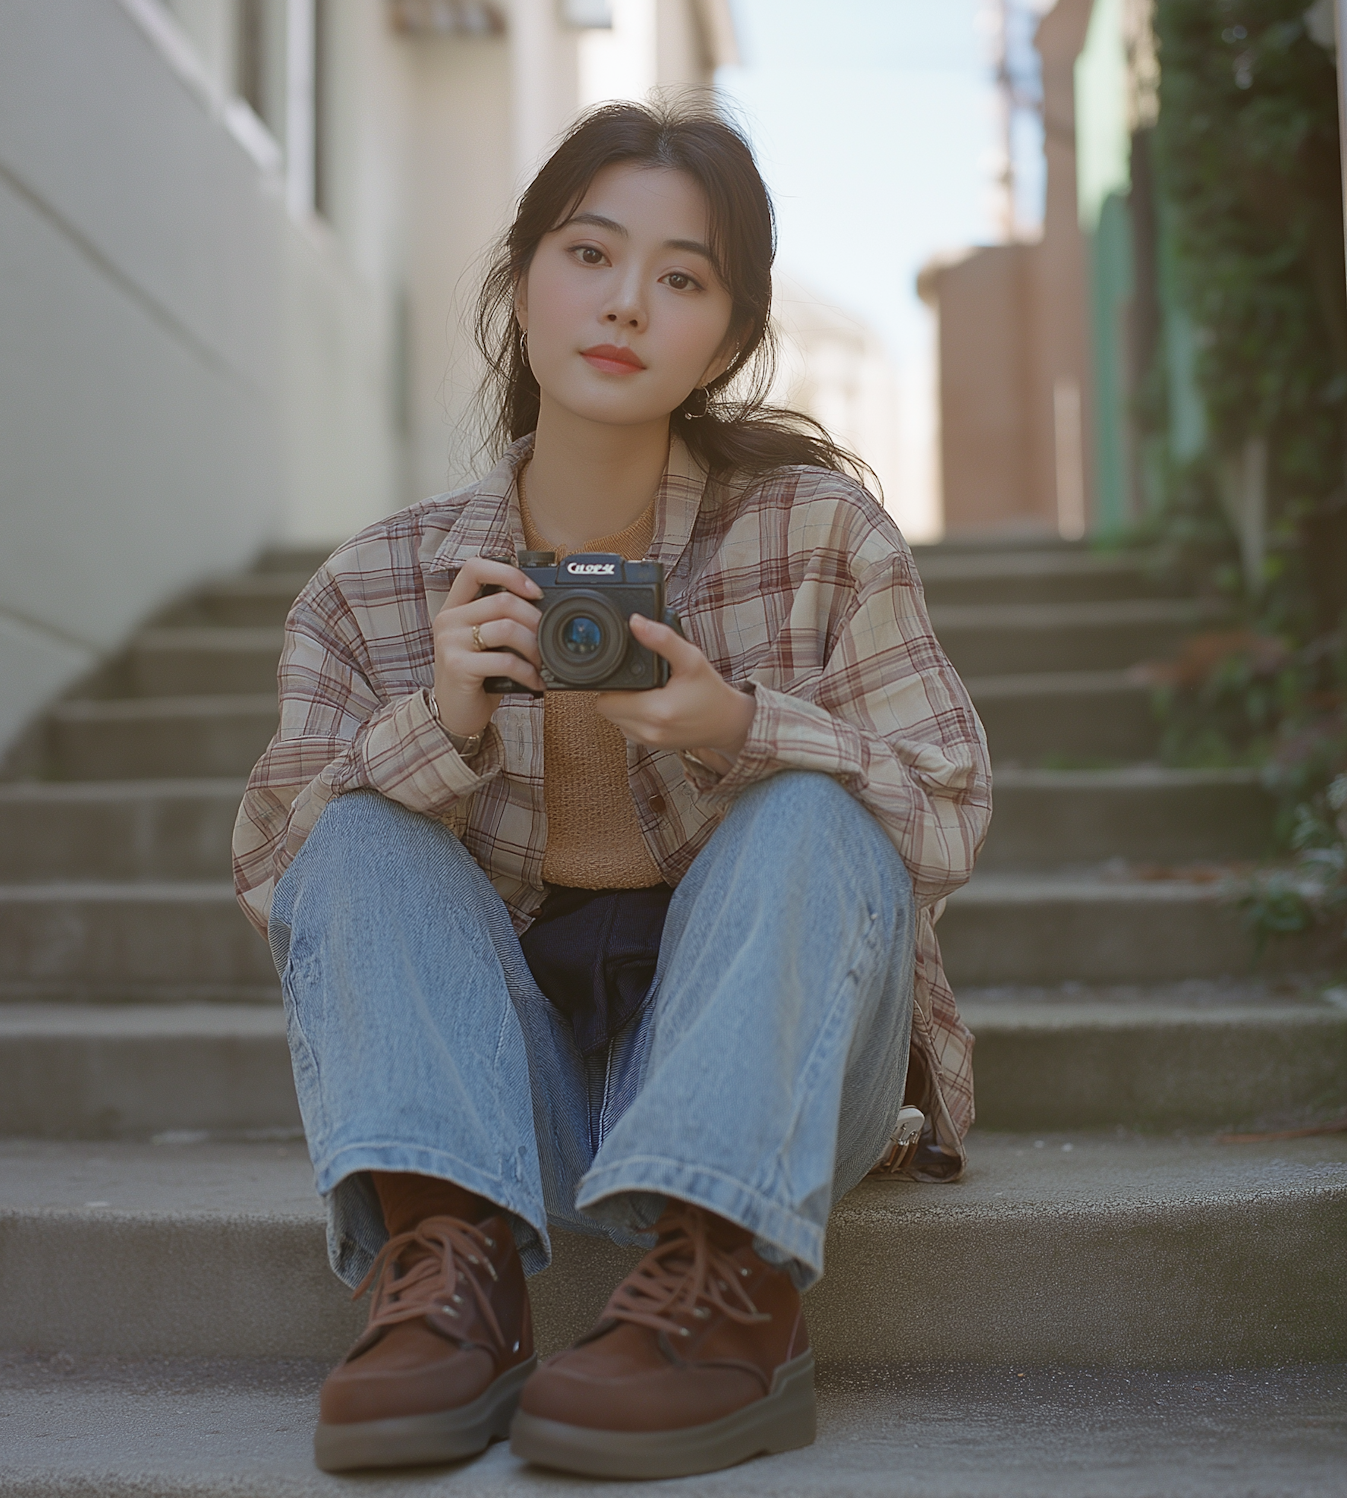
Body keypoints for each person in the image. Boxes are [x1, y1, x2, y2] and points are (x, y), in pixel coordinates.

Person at [233, 99, 990, 1481]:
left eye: (682, 278)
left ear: (731, 338)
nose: (626, 303)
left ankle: (729, 1291)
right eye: (589, 254)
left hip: (775, 1048)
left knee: (820, 802)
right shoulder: (373, 589)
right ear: (522, 277)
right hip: (498, 1071)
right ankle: (448, 1268)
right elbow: (285, 884)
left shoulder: (819, 535)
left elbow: (945, 809)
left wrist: (743, 727)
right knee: (350, 825)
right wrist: (435, 725)